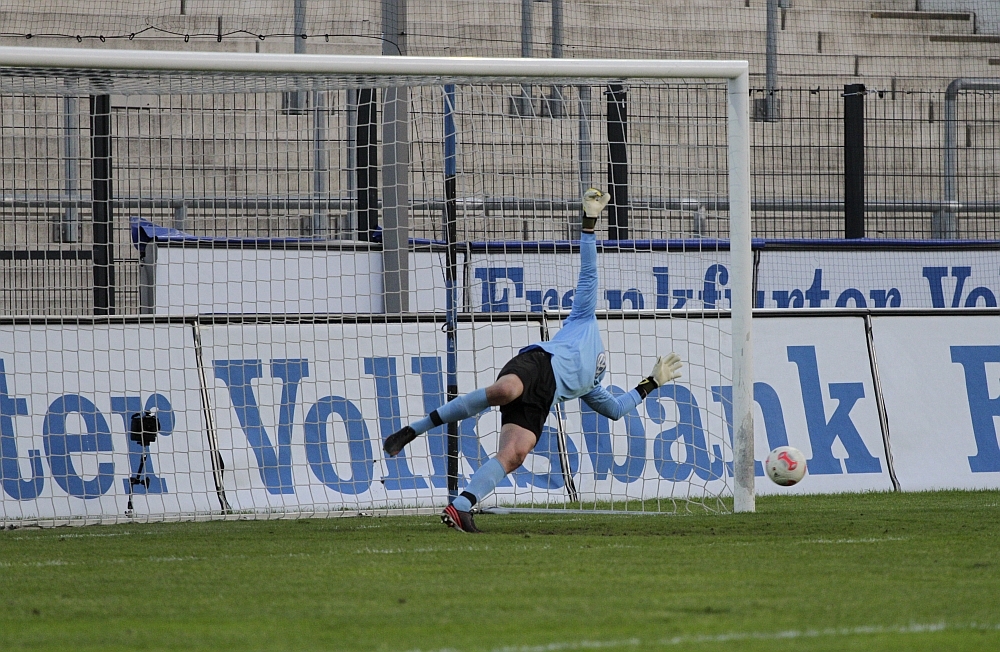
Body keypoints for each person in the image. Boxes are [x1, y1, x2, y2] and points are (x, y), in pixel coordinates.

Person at [383, 188, 683, 533]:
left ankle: (461, 507)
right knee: (504, 391)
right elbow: (589, 273)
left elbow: (615, 409)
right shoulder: (583, 319)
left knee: (515, 454)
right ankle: (414, 429)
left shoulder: (592, 385)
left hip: (542, 400)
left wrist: (652, 382)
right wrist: (589, 224)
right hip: (538, 364)